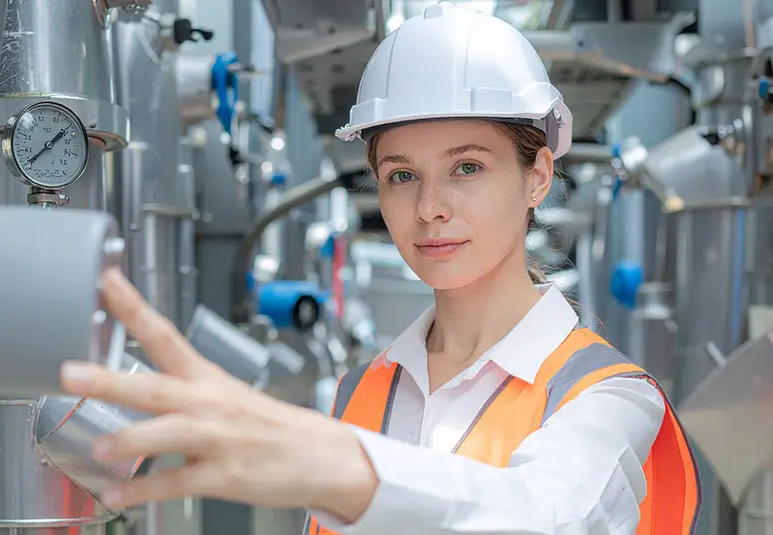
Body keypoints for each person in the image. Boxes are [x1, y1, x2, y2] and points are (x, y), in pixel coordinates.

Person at [59, 3, 701, 534]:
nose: (429, 208)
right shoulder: (359, 392)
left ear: (537, 176)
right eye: (401, 176)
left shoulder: (610, 399)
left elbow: (549, 517)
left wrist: (346, 470)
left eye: (467, 167)